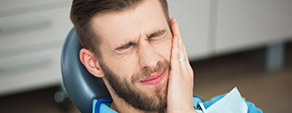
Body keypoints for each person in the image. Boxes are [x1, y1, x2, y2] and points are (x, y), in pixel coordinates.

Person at [70, 0, 262, 113]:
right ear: (94, 64)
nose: (151, 61)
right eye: (126, 47)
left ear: (173, 33)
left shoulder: (239, 108)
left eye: (155, 36)